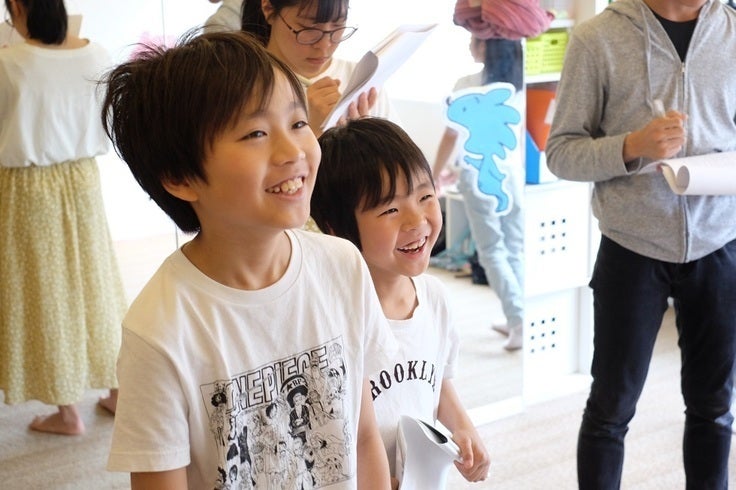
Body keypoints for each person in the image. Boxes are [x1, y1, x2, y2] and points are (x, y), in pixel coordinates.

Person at [101, 30, 394, 489]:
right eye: (256, 133)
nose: (293, 151)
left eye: (298, 123)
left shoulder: (342, 266)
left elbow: (362, 438)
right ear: (181, 177)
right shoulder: (159, 331)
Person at [545, 0, 736, 488]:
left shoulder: (733, 31)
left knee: (715, 408)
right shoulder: (597, 38)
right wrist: (632, 146)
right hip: (631, 247)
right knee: (611, 409)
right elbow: (561, 153)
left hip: (720, 243)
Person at [312, 117, 490, 487]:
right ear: (336, 227)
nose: (416, 221)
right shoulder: (334, 318)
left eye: (425, 197)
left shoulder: (434, 297)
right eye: (390, 210)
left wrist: (463, 427)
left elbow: (436, 379)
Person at [0, 0, 126, 435]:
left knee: (45, 293)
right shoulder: (97, 54)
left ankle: (68, 411)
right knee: (95, 284)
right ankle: (117, 390)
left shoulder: (10, 63)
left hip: (28, 187)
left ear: (19, 6)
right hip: (83, 181)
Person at [432, 35, 525, 351]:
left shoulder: (467, 85)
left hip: (479, 178)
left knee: (491, 250)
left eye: (473, 40)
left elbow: (451, 136)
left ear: (485, 46)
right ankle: (519, 316)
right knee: (514, 249)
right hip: (512, 175)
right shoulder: (518, 85)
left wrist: (434, 175)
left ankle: (517, 320)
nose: (469, 45)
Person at [241, 0, 397, 135]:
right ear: (268, 8)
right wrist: (312, 132)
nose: (324, 46)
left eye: (338, 26)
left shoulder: (362, 82)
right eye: (308, 29)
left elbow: (402, 159)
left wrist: (367, 138)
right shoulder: (242, 83)